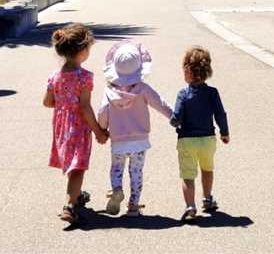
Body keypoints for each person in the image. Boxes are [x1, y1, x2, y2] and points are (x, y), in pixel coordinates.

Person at [97, 41, 174, 217]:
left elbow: (102, 113)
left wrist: (102, 129)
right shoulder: (143, 89)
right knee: (136, 172)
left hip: (118, 140)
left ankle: (117, 189)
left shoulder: (109, 92)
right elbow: (159, 103)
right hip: (139, 140)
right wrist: (173, 116)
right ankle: (133, 205)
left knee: (117, 168)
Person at [43, 23, 108, 224]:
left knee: (72, 163)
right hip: (78, 126)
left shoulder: (55, 76)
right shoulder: (84, 77)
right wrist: (98, 131)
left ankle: (77, 195)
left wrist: (62, 102)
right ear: (82, 50)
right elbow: (85, 107)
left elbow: (47, 102)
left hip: (61, 126)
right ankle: (69, 206)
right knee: (78, 167)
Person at [171, 47, 229, 221]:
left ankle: (190, 207)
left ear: (188, 71)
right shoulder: (212, 93)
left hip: (187, 140)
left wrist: (173, 120)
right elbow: (220, 114)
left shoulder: (183, 94)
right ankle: (208, 198)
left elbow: (177, 118)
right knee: (207, 169)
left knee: (188, 175)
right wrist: (224, 132)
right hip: (208, 140)